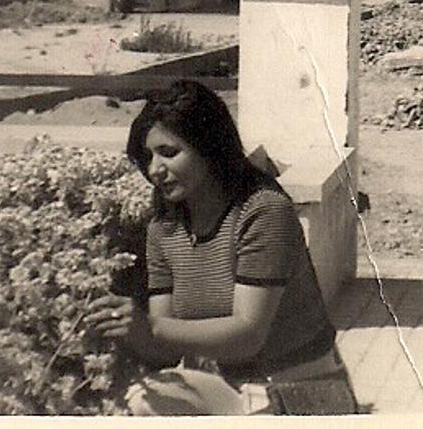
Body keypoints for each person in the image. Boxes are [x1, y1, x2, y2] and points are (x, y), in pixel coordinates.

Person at [85, 79, 357, 416]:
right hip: (227, 390)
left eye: (169, 153)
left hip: (299, 393)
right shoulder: (164, 230)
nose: (155, 169)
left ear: (208, 146)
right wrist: (124, 329)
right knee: (146, 397)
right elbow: (163, 344)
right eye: (147, 157)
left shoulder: (263, 211)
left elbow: (248, 334)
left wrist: (150, 327)